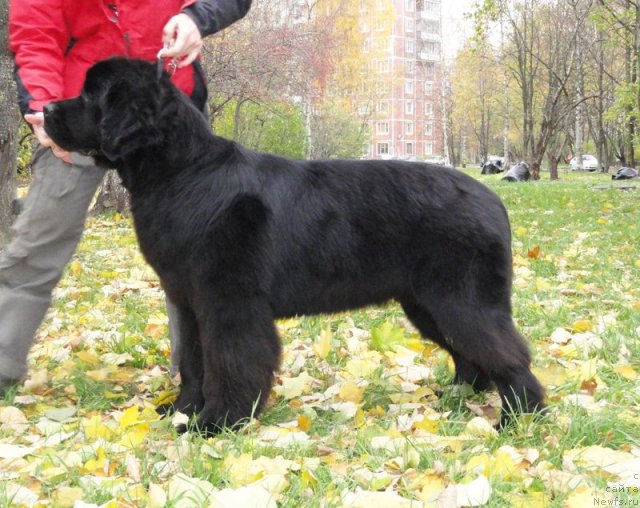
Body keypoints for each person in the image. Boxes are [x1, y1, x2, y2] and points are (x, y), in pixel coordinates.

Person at [1, 0, 253, 392]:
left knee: (197, 256)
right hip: (80, 115)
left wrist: (196, 17)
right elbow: (36, 37)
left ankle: (203, 379)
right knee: (37, 244)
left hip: (168, 118)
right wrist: (41, 110)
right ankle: (2, 363)